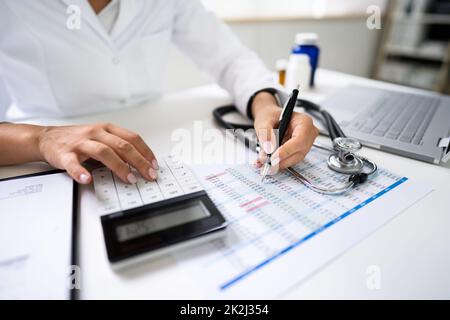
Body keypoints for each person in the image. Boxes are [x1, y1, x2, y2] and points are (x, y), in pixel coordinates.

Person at [0, 0, 318, 185]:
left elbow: (230, 58)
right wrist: (40, 138)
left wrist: (264, 105)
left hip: (158, 147)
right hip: (38, 168)